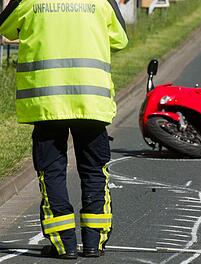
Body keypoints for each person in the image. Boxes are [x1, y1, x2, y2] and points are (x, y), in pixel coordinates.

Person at [0, 0, 128, 259]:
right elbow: (120, 39)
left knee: (52, 172)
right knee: (94, 171)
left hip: (47, 103)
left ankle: (64, 245)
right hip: (90, 101)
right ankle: (94, 243)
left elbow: (6, 27)